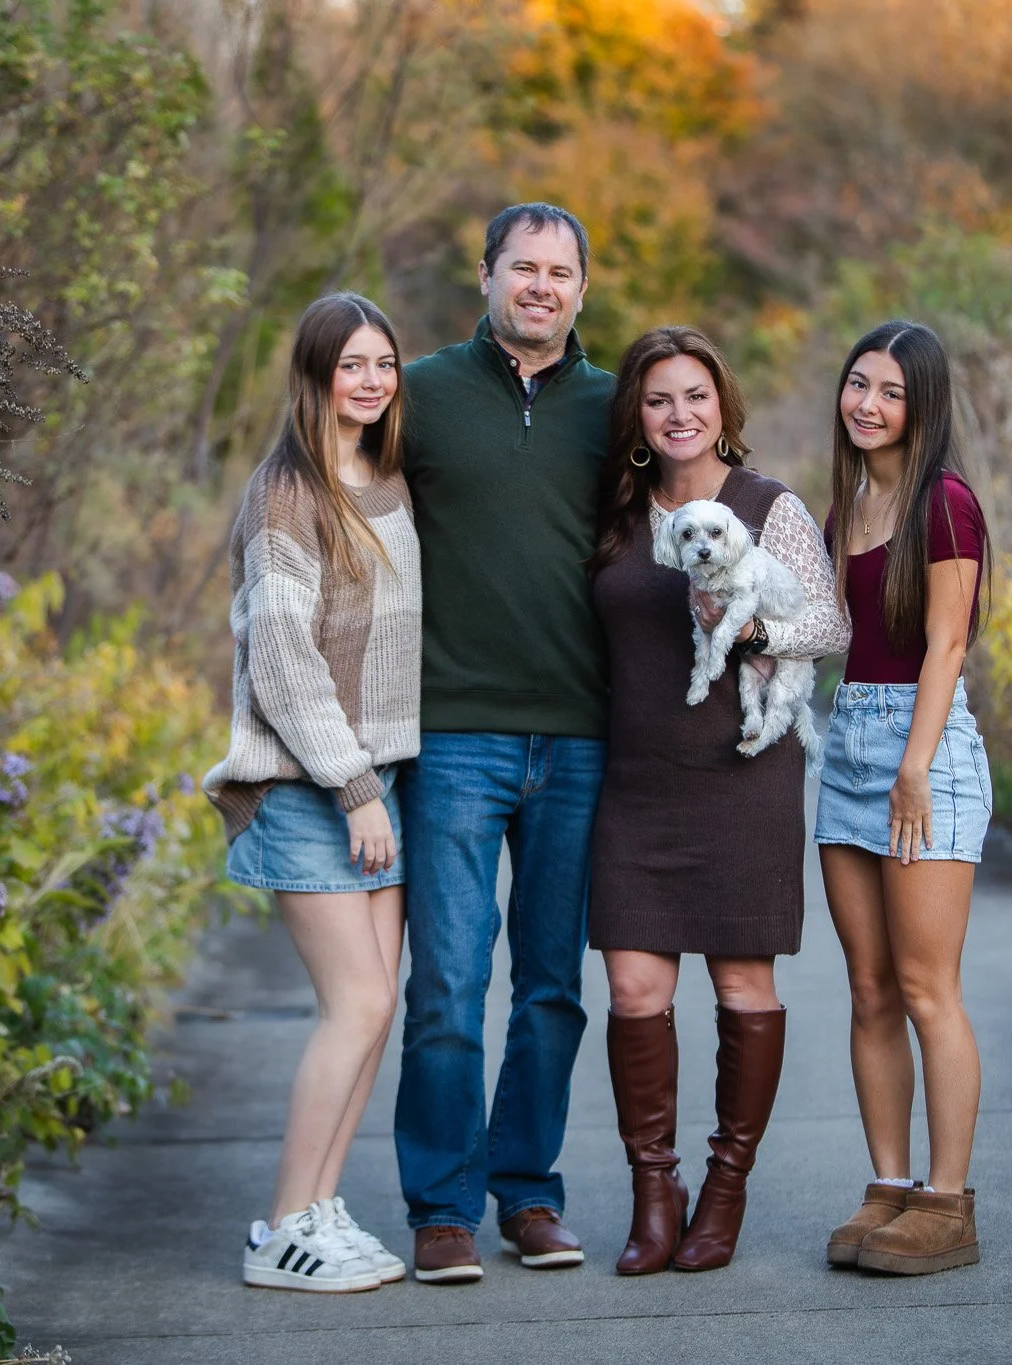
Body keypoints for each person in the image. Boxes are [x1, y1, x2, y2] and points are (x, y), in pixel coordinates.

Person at [588, 325, 847, 1274]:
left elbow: (824, 619)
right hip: (637, 784)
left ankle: (723, 1192)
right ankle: (654, 1194)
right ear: (638, 417)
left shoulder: (766, 505)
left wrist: (743, 635)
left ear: (722, 407)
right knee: (633, 988)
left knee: (743, 984)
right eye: (659, 399)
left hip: (742, 777)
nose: (679, 413)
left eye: (695, 395)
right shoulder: (617, 512)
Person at [394, 203, 614, 1283]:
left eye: (558, 271)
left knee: (550, 984)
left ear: (582, 287)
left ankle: (526, 1192)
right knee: (442, 977)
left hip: (578, 736)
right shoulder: (421, 393)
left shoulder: (614, 409)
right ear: (482, 276)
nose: (539, 285)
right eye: (520, 267)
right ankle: (441, 1205)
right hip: (453, 733)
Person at [203, 292, 420, 1294]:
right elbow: (283, 663)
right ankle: (282, 1228)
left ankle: (321, 1208)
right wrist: (354, 785)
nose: (370, 381)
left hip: (378, 783)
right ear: (315, 375)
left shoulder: (383, 478)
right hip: (313, 787)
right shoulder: (285, 493)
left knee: (375, 1010)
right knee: (358, 1001)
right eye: (352, 365)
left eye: (383, 364)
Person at [814, 320, 992, 1275]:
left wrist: (915, 766)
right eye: (856, 385)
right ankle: (887, 1188)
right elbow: (823, 628)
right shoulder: (845, 506)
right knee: (870, 987)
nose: (867, 404)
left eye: (888, 390)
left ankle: (947, 1200)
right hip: (846, 747)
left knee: (927, 987)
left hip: (922, 753)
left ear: (920, 404)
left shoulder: (946, 505)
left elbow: (948, 645)